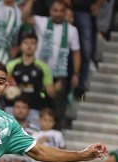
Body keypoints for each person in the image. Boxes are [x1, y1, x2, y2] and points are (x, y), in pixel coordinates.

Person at [22, 0, 81, 128]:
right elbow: (25, 17)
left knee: (57, 104)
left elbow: (76, 52)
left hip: (59, 73)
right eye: (55, 10)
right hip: (39, 71)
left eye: (61, 11)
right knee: (36, 101)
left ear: (65, 13)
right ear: (50, 11)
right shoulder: (41, 22)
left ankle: (56, 131)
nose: (58, 14)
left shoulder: (72, 30)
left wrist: (76, 72)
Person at [5, 32, 55, 122]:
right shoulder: (11, 65)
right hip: (12, 109)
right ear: (21, 46)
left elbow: (51, 92)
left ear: (36, 46)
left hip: (34, 110)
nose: (29, 46)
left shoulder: (44, 67)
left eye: (32, 43)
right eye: (26, 43)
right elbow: (3, 87)